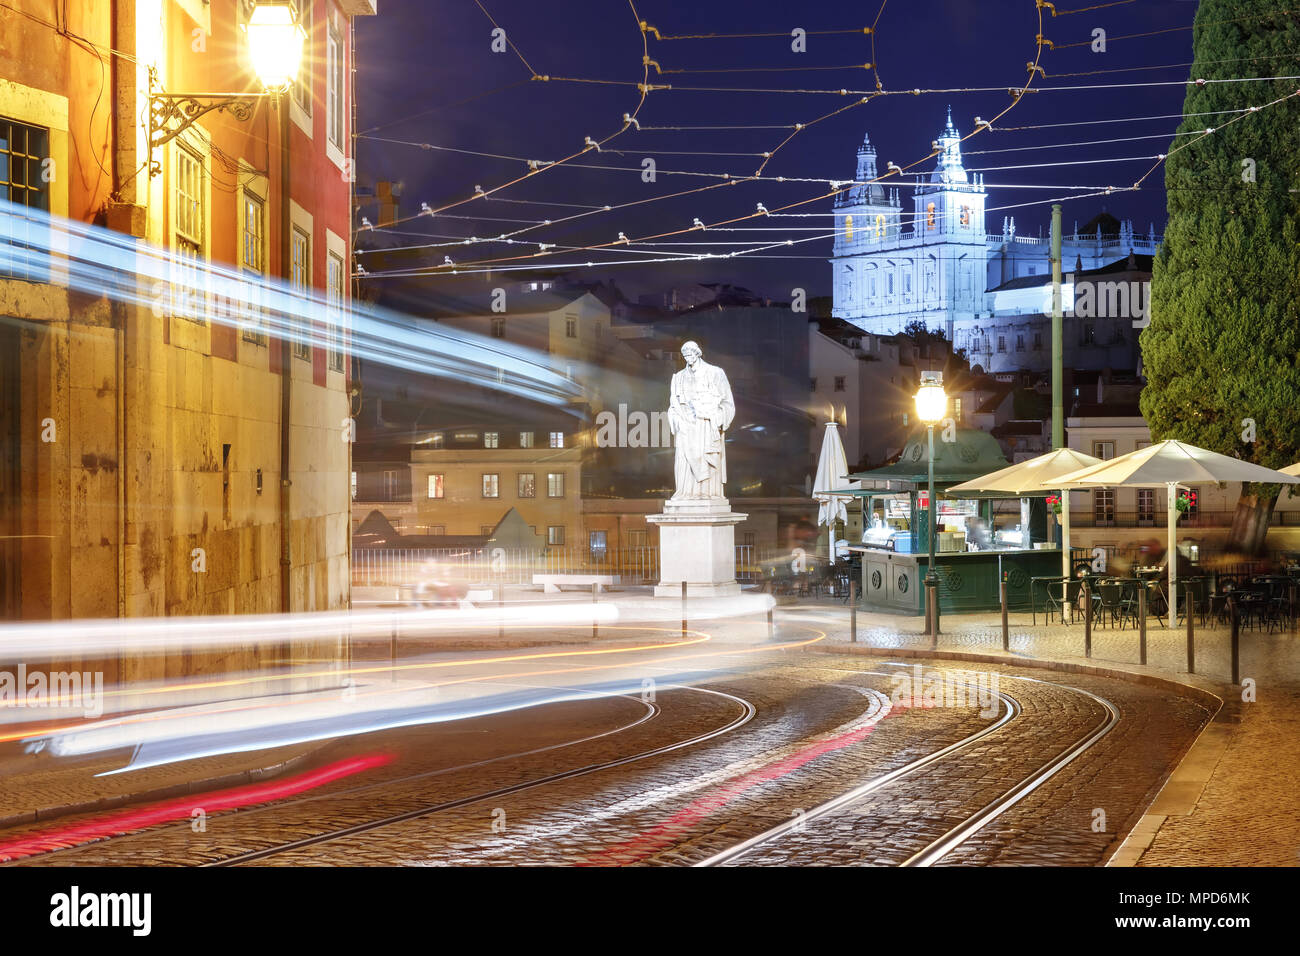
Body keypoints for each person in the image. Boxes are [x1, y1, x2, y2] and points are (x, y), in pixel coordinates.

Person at [667, 341, 735, 499]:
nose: (688, 358)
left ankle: (706, 492)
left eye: (690, 355)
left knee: (706, 460)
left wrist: (714, 416)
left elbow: (728, 404)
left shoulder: (715, 373)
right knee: (683, 460)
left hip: (705, 425)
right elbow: (672, 405)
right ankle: (685, 492)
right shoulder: (678, 378)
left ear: (697, 353)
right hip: (685, 425)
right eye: (685, 356)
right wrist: (677, 418)